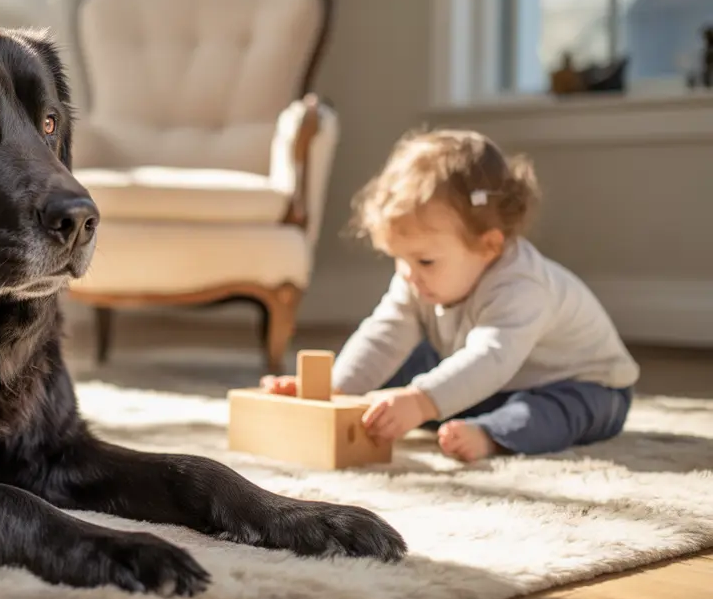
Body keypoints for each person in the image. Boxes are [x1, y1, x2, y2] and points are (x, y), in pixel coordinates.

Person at [261, 128, 639, 462]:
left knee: (545, 413)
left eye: (424, 260)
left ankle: (491, 434)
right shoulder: (417, 277)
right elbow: (384, 334)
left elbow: (490, 359)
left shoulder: (523, 287)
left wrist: (420, 401)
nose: (408, 274)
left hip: (586, 387)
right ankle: (368, 398)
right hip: (495, 381)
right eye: (399, 259)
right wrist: (335, 388)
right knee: (408, 363)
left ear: (489, 246)